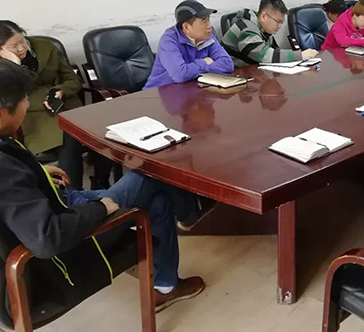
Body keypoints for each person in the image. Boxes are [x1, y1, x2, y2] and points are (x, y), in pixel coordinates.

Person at [0, 60, 208, 312]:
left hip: (58, 204)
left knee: (158, 199)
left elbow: (14, 196)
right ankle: (189, 217)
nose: (27, 103)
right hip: (64, 245)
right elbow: (48, 238)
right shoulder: (4, 169)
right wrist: (100, 208)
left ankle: (166, 283)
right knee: (151, 176)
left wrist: (38, 173)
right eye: (24, 98)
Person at [0, 21, 114, 190]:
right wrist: (14, 65)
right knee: (69, 135)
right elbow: (14, 94)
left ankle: (100, 180)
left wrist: (61, 90)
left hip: (65, 102)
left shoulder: (45, 47)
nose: (21, 48)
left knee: (103, 128)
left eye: (22, 41)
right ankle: (73, 191)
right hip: (32, 111)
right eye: (13, 46)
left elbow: (73, 79)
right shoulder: (3, 67)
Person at [144, 0, 234, 89]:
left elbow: (227, 64)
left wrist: (191, 69)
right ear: (186, 27)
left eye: (208, 20)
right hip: (158, 93)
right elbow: (180, 75)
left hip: (190, 88)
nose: (209, 26)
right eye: (204, 21)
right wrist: (205, 62)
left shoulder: (207, 36)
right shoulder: (169, 40)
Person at [222, 0, 318, 67]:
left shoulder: (263, 30)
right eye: (278, 21)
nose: (279, 26)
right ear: (264, 16)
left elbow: (276, 50)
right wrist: (299, 55)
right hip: (232, 75)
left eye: (281, 22)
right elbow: (264, 55)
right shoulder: (246, 28)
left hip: (251, 72)